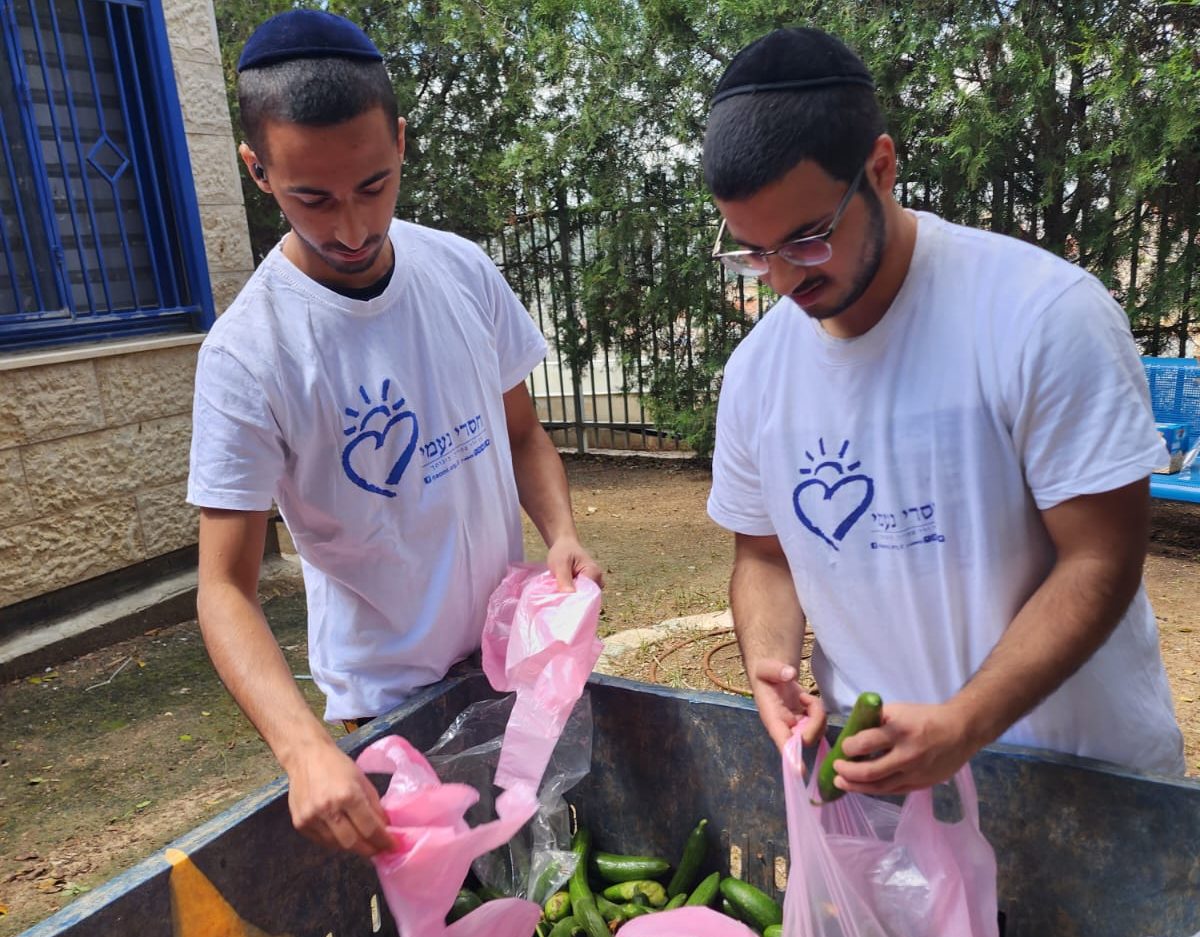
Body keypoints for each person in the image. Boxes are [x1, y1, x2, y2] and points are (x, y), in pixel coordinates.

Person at [702, 26, 1186, 790]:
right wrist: (769, 660)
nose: (782, 280)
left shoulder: (1041, 316)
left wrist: (966, 721)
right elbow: (763, 555)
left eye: (808, 239)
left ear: (882, 167)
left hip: (1080, 784)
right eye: (754, 252)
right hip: (892, 795)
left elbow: (1101, 558)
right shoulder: (757, 373)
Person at [187, 10, 601, 860]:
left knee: (542, 886)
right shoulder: (248, 354)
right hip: (385, 705)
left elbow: (524, 436)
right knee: (442, 931)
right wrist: (303, 749)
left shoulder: (460, 270)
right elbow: (223, 588)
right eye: (313, 198)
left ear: (402, 141)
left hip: (507, 660)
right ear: (258, 170)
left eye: (373, 185)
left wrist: (561, 534)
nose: (352, 228)